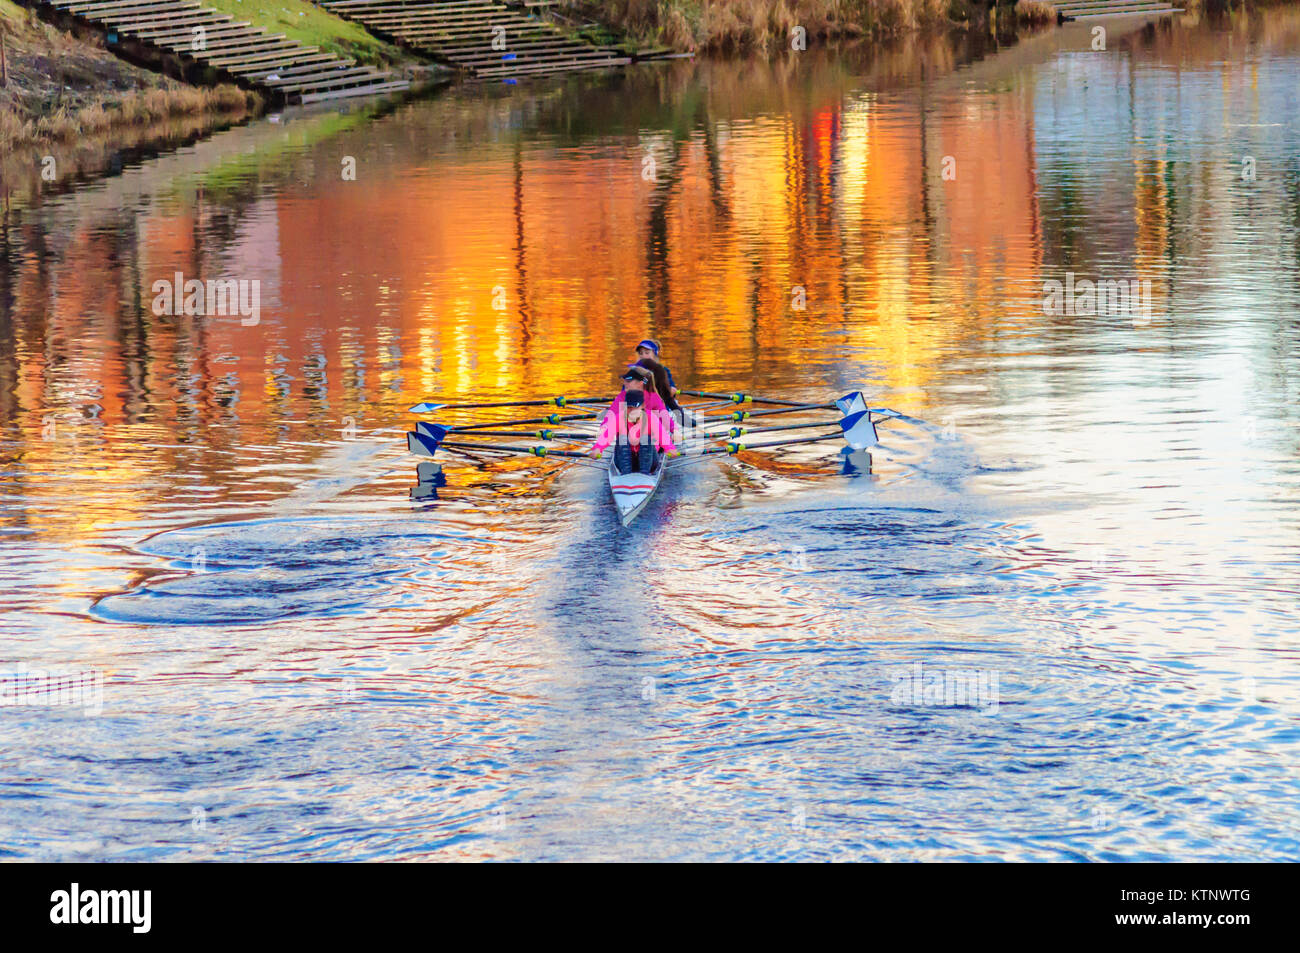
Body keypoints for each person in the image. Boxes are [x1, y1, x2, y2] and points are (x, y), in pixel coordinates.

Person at [590, 367, 679, 472]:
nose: (624, 383)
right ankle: (625, 473)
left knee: (645, 439)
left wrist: (674, 432)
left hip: (649, 448)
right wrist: (603, 431)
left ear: (640, 383)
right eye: (628, 407)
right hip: (626, 449)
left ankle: (644, 474)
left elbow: (664, 417)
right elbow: (612, 413)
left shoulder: (652, 398)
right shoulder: (623, 397)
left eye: (628, 381)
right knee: (623, 439)